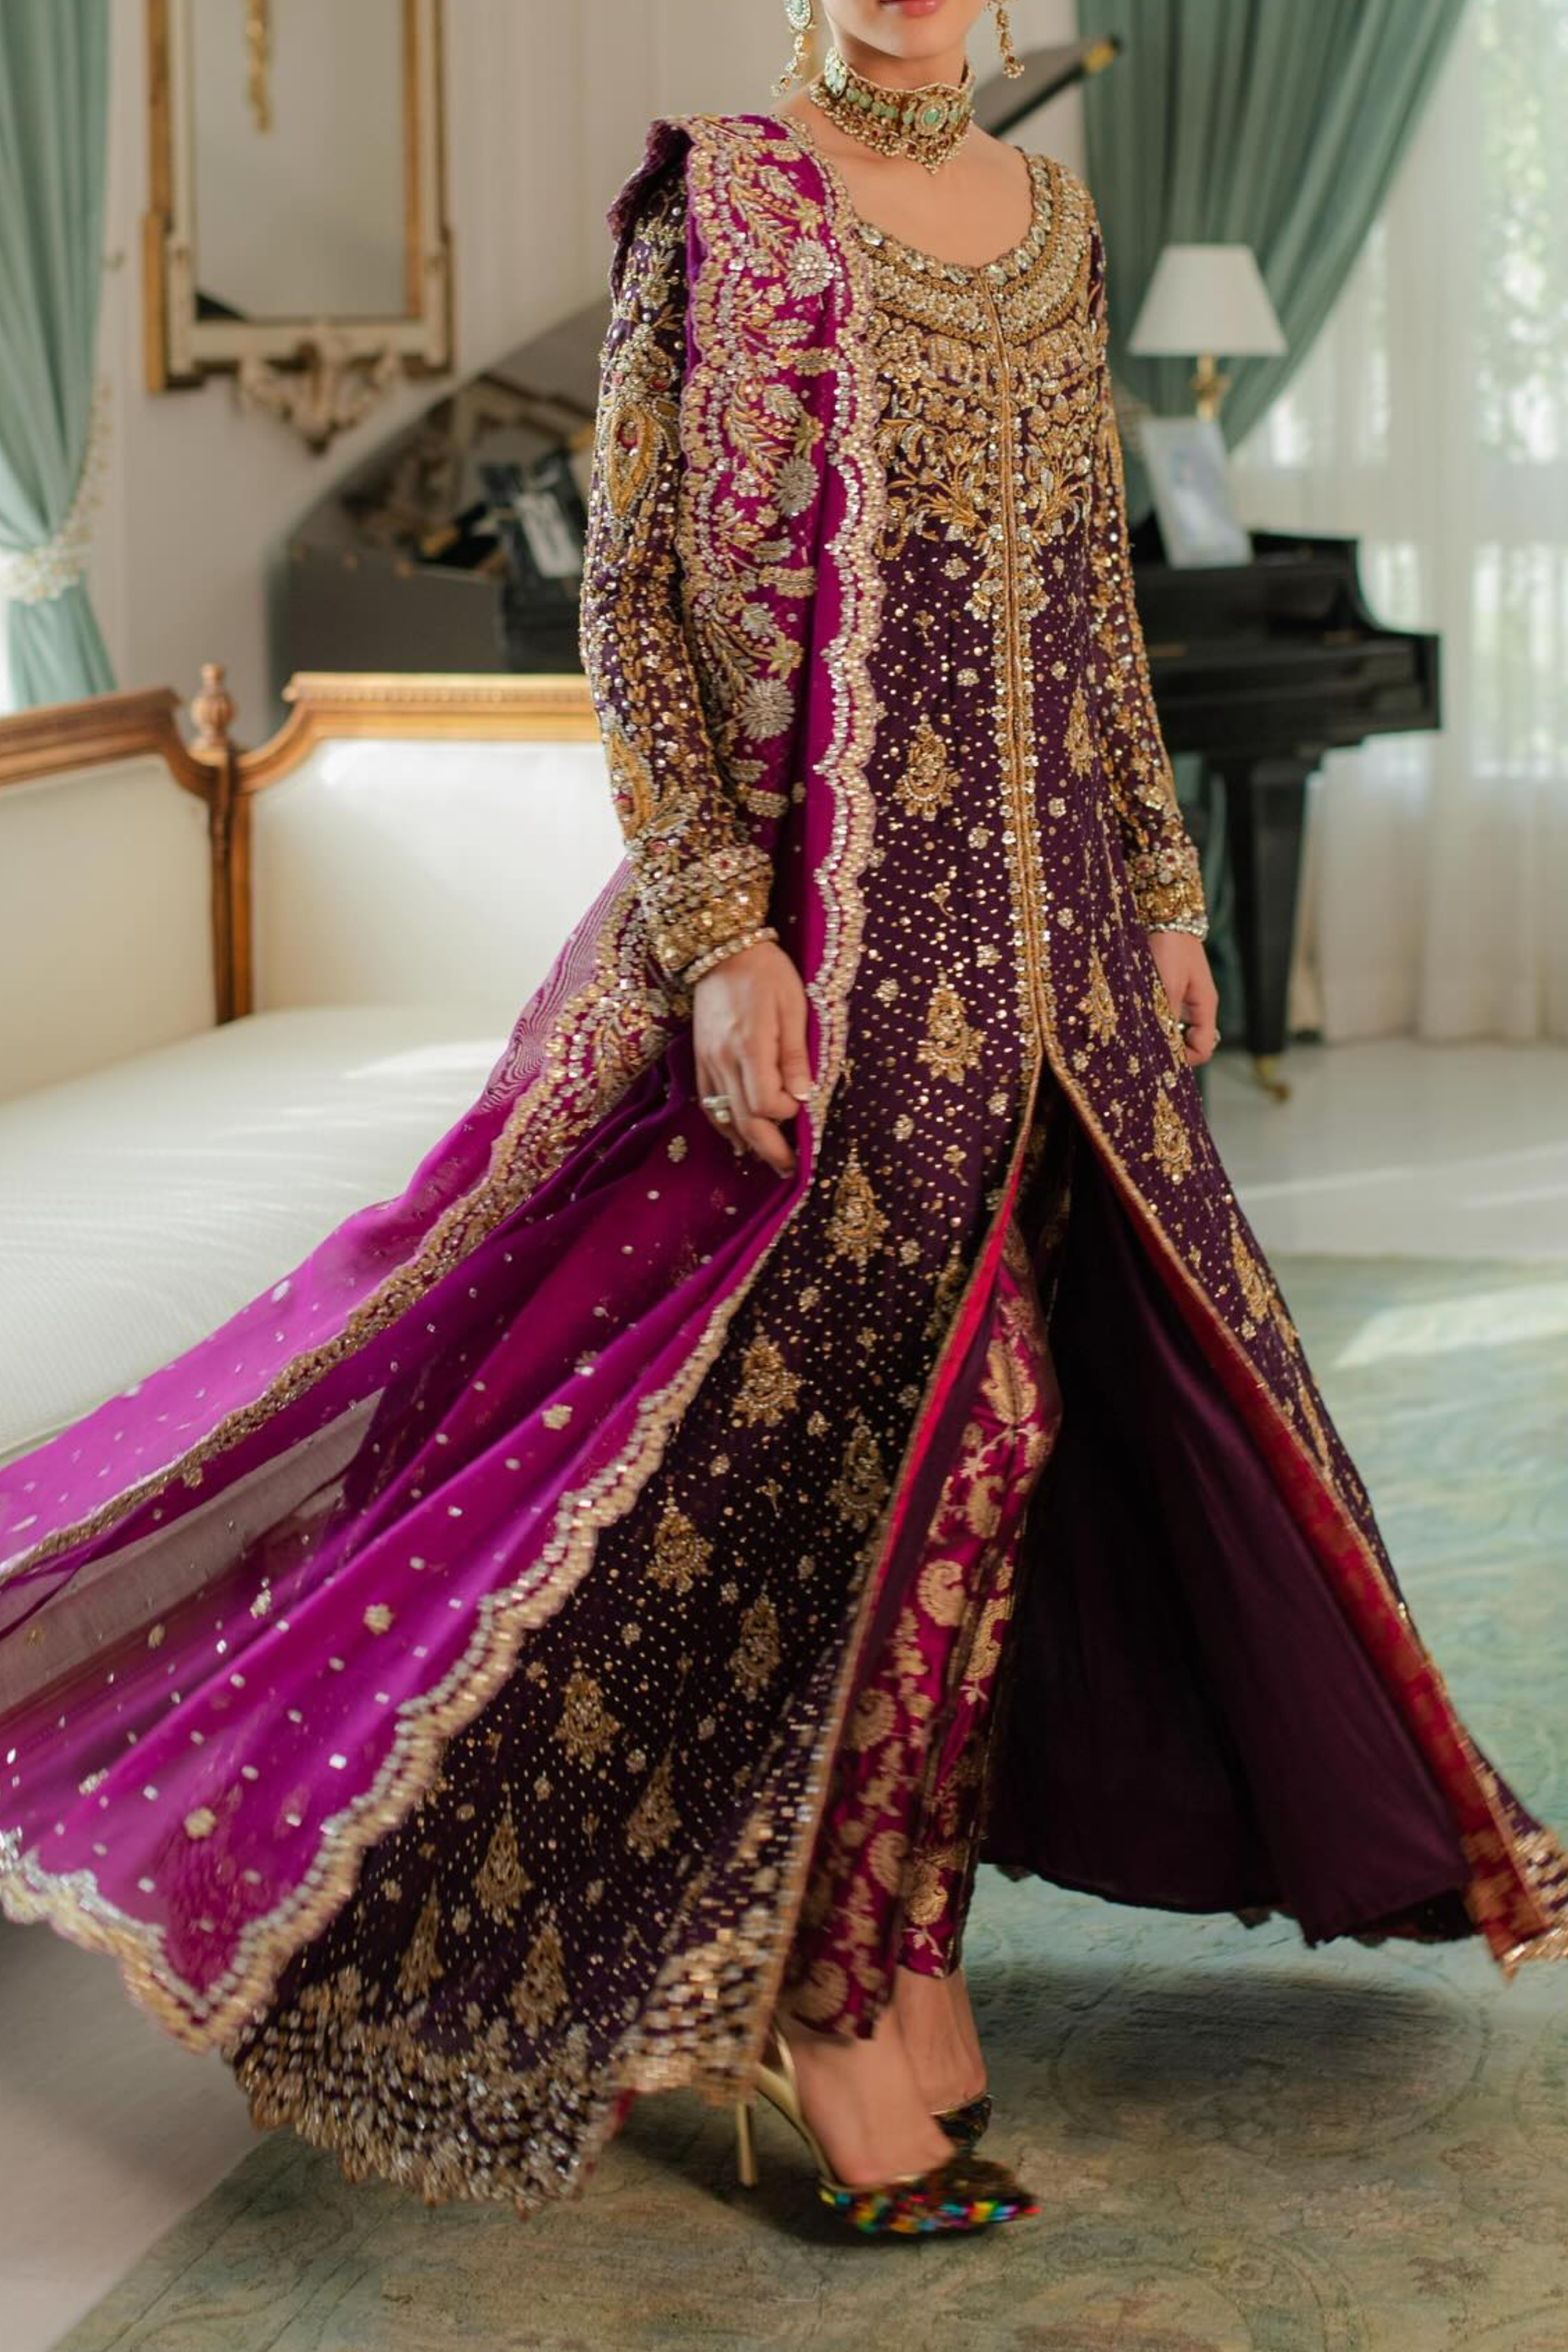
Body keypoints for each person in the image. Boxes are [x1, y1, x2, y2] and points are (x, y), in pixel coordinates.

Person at [2, 0, 1564, 2243]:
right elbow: (632, 599)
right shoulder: (717, 205)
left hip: (1058, 983)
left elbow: (1085, 598)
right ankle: (830, 2005)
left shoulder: (1051, 216)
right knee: (885, 1461)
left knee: (1015, 1449)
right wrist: (727, 931)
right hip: (837, 985)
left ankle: (890, 1951)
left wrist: (1157, 882)